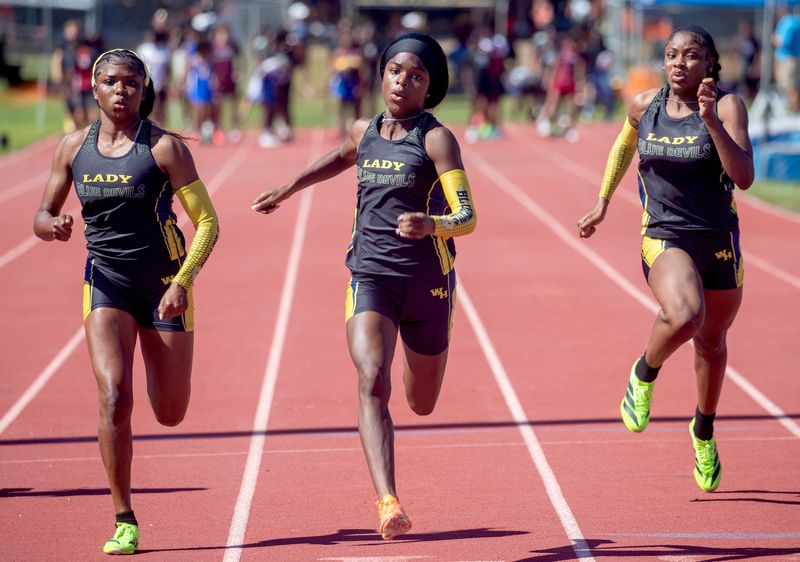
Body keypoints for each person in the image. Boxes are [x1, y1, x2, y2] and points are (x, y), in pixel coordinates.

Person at [252, 32, 477, 538]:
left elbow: (466, 216)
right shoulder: (365, 129)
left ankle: (421, 362)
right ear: (381, 74)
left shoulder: (436, 139)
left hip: (428, 284)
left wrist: (431, 224)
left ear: (430, 86)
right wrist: (288, 188)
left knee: (421, 402)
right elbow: (340, 157)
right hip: (370, 275)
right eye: (396, 71)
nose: (403, 81)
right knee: (372, 376)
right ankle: (388, 501)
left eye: (416, 76)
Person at [33, 48, 219, 554]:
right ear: (93, 88)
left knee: (170, 412)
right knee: (114, 395)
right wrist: (54, 226)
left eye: (131, 83)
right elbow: (41, 216)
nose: (121, 91)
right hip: (106, 282)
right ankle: (124, 517)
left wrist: (183, 281)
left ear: (143, 89)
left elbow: (208, 222)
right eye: (111, 82)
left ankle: (170, 376)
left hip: (165, 289)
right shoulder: (73, 148)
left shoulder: (164, 150)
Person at [577, 25, 753, 493]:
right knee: (685, 314)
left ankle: (703, 430)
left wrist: (711, 120)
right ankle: (644, 373)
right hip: (664, 233)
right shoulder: (644, 105)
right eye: (671, 55)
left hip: (718, 240)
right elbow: (623, 146)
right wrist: (604, 200)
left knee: (712, 342)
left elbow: (745, 177)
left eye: (691, 56)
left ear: (710, 63)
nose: (679, 63)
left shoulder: (729, 106)